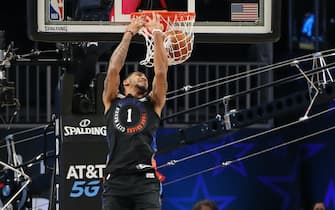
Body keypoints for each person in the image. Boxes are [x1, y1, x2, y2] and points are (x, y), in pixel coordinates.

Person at [102, 13, 168, 210]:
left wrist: (157, 33)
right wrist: (129, 33)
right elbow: (113, 69)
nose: (143, 77)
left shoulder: (153, 102)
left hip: (145, 181)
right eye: (138, 74)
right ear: (125, 83)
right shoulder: (112, 100)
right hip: (115, 180)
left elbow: (161, 72)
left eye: (144, 77)